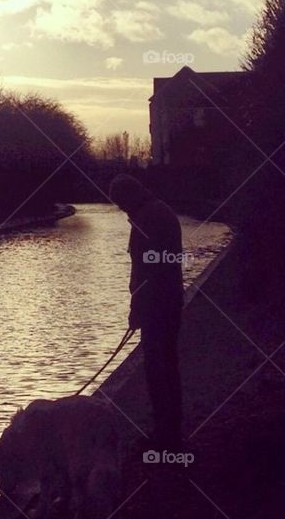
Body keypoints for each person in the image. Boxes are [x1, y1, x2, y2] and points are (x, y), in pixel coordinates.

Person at [109, 174, 184, 448]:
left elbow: (144, 271)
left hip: (157, 304)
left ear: (129, 196)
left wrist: (137, 307)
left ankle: (165, 434)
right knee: (167, 364)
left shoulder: (147, 219)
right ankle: (170, 429)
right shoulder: (160, 212)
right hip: (168, 300)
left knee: (157, 367)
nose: (122, 209)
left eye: (121, 203)